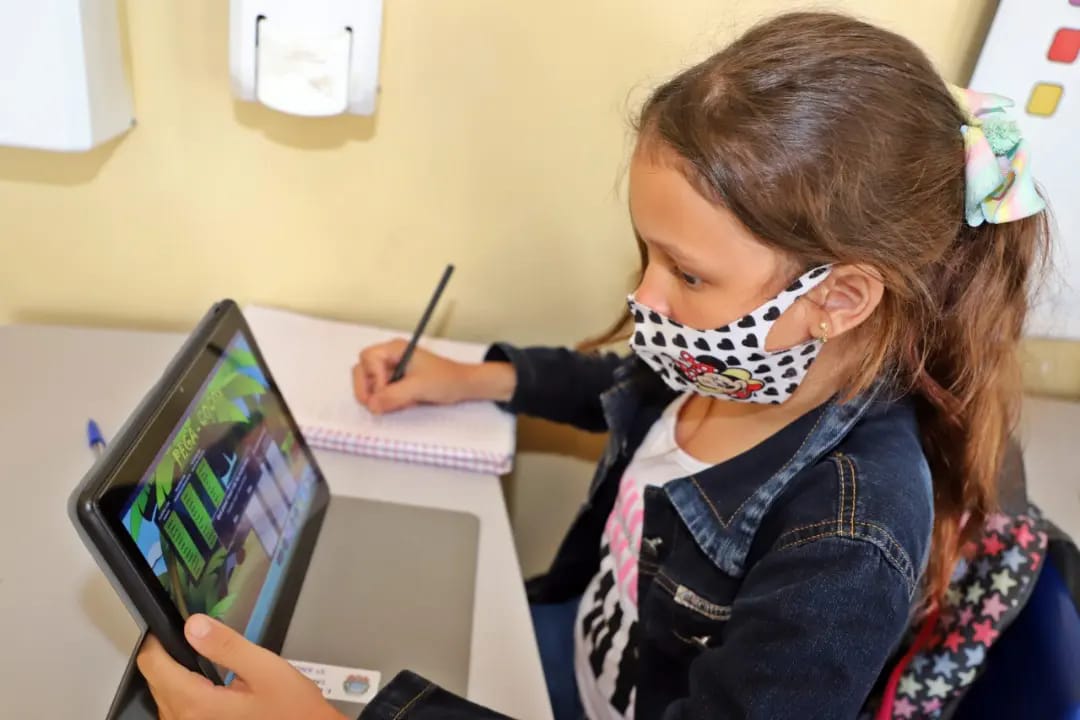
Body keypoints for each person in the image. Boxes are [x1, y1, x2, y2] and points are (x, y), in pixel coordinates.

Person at [137, 10, 1049, 719]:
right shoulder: (737, 357)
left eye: (687, 273)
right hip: (572, 646)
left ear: (839, 298)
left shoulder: (850, 539)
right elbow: (620, 388)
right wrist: (478, 378)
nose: (644, 297)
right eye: (646, 253)